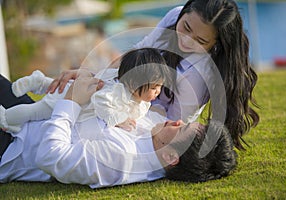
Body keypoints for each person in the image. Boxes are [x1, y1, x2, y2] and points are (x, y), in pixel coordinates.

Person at [47, 0, 260, 150]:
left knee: (73, 120)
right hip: (128, 98)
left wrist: (120, 116)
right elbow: (136, 53)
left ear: (215, 45)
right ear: (184, 12)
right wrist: (95, 77)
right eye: (185, 27)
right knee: (63, 94)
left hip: (145, 124)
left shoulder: (200, 77)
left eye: (200, 42)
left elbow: (168, 125)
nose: (185, 41)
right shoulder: (174, 15)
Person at [0, 75, 237, 188]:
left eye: (182, 128)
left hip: (12, 147)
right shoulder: (153, 132)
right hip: (28, 117)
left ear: (171, 157)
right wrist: (86, 80)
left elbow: (50, 155)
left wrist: (71, 101)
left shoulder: (121, 160)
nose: (176, 121)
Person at [0, 48, 171, 132]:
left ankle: (40, 81)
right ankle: (6, 118)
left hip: (77, 91)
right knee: (36, 111)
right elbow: (100, 101)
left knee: (59, 87)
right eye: (155, 88)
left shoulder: (123, 79)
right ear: (134, 84)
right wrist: (118, 119)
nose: (158, 92)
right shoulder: (117, 92)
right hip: (69, 101)